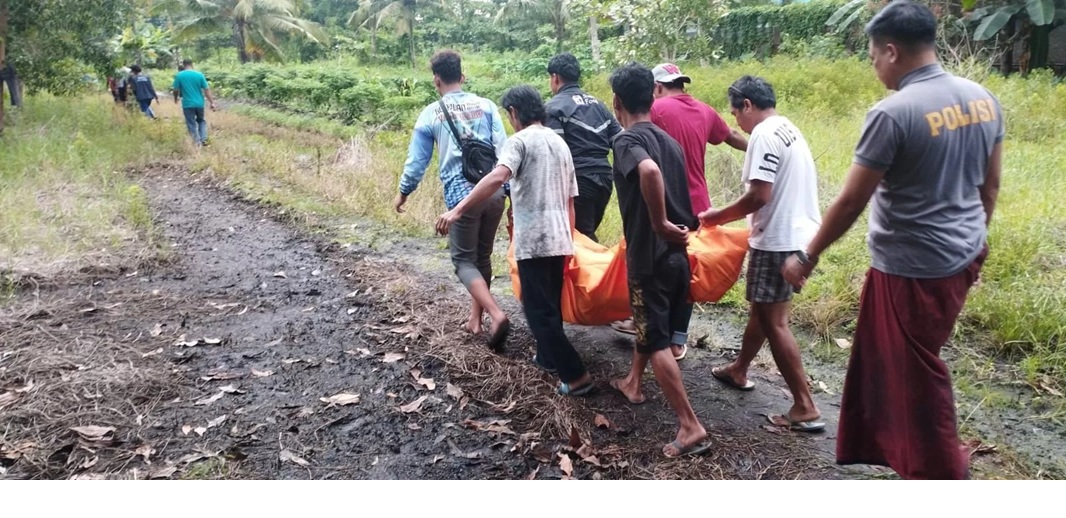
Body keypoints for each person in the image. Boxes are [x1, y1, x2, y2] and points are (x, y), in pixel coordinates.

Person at [781, 0, 1003, 479]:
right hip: (961, 254)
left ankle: (939, 477)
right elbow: (991, 187)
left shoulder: (893, 112)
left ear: (891, 51)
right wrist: (972, 246)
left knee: (917, 381)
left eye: (872, 57)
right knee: (897, 368)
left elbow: (849, 202)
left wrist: (808, 255)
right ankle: (904, 459)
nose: (874, 65)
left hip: (912, 269)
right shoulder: (983, 97)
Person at [435, 85, 594, 396]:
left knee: (538, 314)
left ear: (514, 113)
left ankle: (576, 377)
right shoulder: (559, 142)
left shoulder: (518, 141)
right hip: (560, 238)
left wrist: (457, 210)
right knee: (550, 307)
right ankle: (548, 358)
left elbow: (497, 177)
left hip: (534, 240)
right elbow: (571, 199)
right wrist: (570, 240)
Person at [699, 75, 824, 433]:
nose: (735, 120)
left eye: (735, 113)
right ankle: (739, 369)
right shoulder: (788, 128)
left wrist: (716, 217)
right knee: (762, 309)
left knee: (775, 321)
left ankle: (805, 405)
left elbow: (759, 196)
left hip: (778, 238)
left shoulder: (765, 135)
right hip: (797, 234)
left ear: (747, 106)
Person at [611, 62, 751, 358]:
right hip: (697, 206)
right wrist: (759, 150)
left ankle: (650, 329)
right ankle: (677, 338)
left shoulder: (655, 111)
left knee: (649, 268)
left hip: (660, 203)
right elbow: (731, 138)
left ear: (656, 89)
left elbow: (642, 158)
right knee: (683, 270)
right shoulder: (703, 109)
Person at [606, 62, 709, 458]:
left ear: (616, 102)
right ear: (653, 97)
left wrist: (659, 221)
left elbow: (647, 170)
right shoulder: (671, 142)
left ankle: (690, 425)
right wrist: (671, 226)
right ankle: (633, 381)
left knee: (658, 338)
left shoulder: (626, 141)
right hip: (678, 256)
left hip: (649, 256)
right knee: (654, 324)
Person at [396, 49, 511, 351]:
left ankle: (496, 314)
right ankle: (476, 319)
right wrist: (508, 192)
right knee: (482, 257)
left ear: (436, 81)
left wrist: (404, 192)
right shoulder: (487, 106)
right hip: (495, 191)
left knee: (462, 261)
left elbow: (417, 161)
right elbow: (504, 149)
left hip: (463, 198)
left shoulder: (430, 114)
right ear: (462, 76)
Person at [544, 53, 623, 243]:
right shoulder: (599, 105)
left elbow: (557, 152)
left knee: (580, 239)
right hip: (604, 178)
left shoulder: (552, 108)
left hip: (578, 180)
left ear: (555, 77)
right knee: (584, 233)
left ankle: (597, 271)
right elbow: (621, 140)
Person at [172, 59, 217, 147]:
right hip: (199, 103)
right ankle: (203, 138)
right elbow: (206, 90)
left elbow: (175, 90)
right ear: (192, 64)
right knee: (201, 121)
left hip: (187, 104)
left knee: (191, 123)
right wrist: (212, 102)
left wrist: (175, 98)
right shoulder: (199, 75)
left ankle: (197, 142)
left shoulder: (179, 75)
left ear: (183, 65)